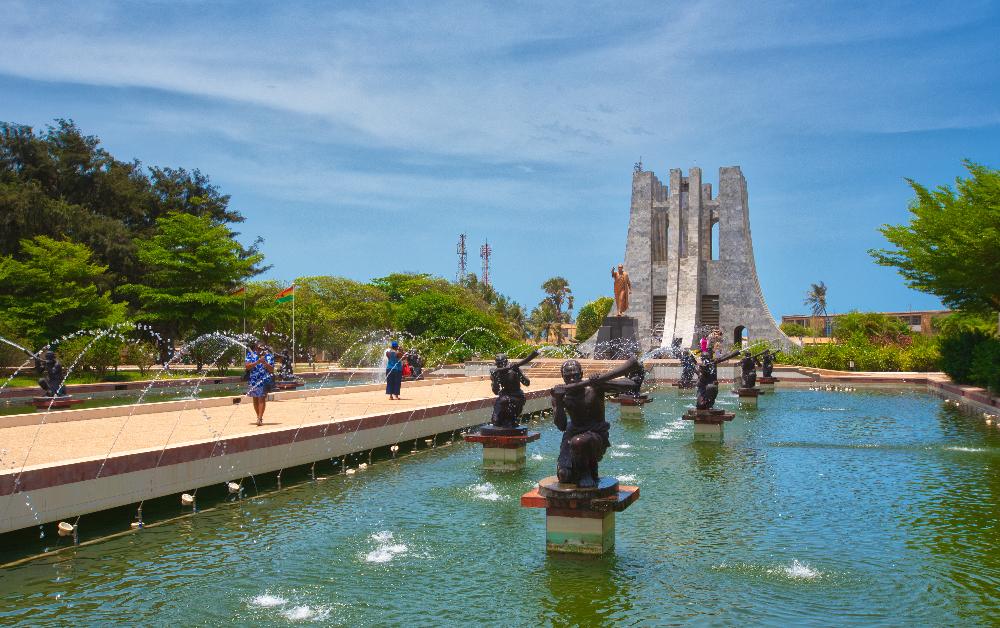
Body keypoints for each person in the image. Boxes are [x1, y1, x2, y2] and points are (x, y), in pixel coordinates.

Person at [245, 342, 275, 426]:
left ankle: (260, 418)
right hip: (253, 380)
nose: (259, 350)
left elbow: (272, 369)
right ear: (255, 348)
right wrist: (257, 362)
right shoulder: (250, 355)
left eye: (261, 349)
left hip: (264, 380)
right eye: (258, 348)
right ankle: (258, 416)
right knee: (255, 398)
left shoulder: (269, 356)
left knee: (261, 398)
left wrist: (265, 363)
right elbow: (247, 366)